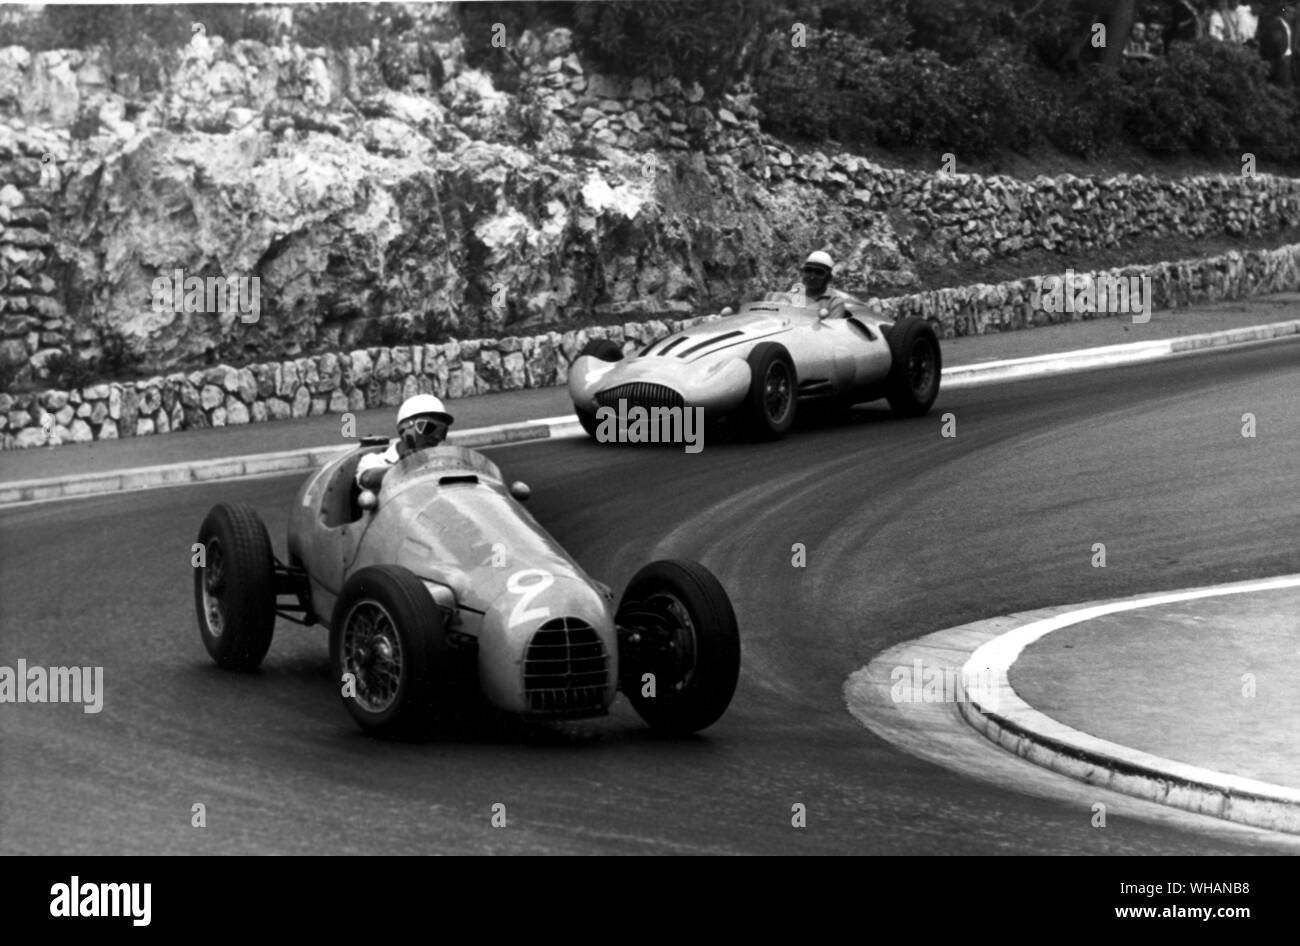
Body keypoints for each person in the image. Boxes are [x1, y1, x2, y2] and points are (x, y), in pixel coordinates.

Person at [356, 394, 454, 490]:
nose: (437, 436)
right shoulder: (375, 460)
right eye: (428, 427)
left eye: (442, 431)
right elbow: (367, 478)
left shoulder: (446, 462)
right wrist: (402, 466)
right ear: (404, 429)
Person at [798, 250, 854, 319]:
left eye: (819, 272)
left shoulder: (835, 302)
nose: (812, 276)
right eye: (808, 270)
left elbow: (834, 328)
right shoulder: (795, 295)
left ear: (828, 277)